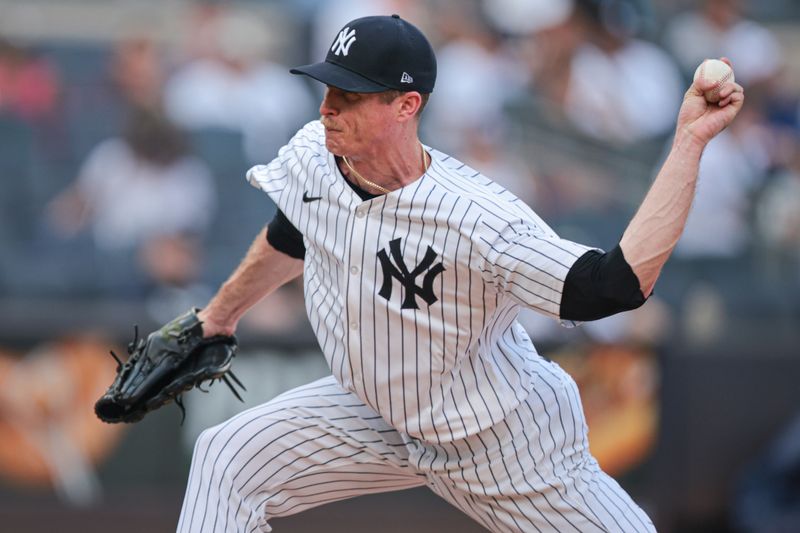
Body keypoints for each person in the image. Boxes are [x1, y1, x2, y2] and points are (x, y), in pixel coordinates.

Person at [176, 14, 743, 532]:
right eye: (328, 88)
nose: (328, 107)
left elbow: (614, 285)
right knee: (227, 458)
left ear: (406, 105)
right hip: (378, 414)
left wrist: (689, 141)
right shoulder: (314, 156)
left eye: (351, 95)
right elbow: (292, 230)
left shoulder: (478, 220)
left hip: (497, 438)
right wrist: (217, 318)